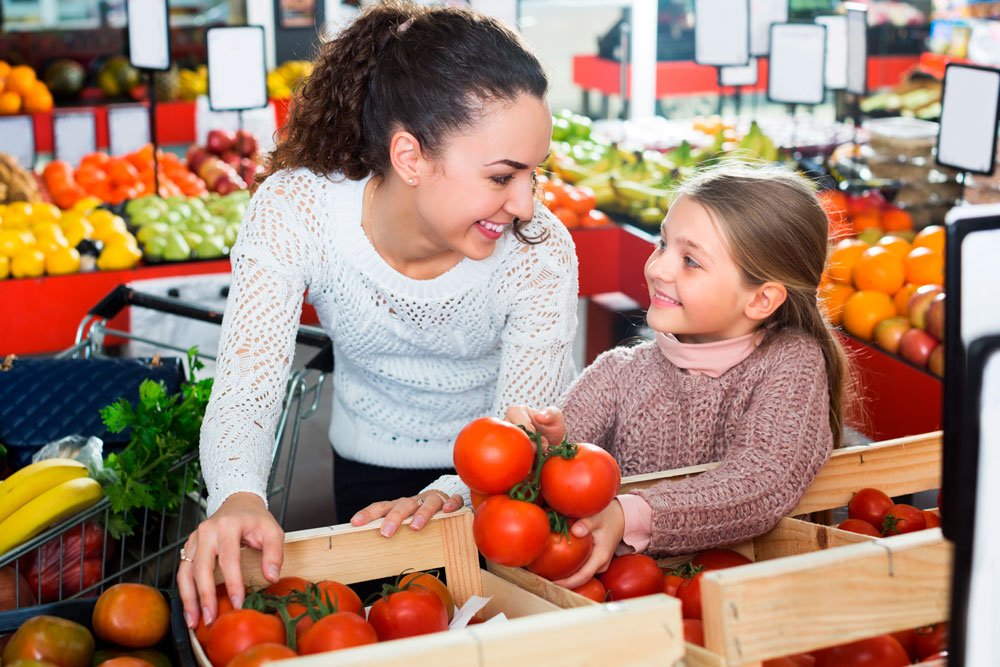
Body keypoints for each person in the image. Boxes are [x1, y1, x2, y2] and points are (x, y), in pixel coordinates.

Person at [177, 1, 579, 629]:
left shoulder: (541, 253)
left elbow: (517, 427)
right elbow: (247, 383)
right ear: (410, 157)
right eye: (503, 177)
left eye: (535, 174)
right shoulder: (298, 209)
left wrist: (455, 490)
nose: (526, 205)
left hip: (499, 491)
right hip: (366, 459)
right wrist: (236, 494)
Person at [417, 161, 849, 588]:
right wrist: (542, 452)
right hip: (632, 602)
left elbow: (761, 482)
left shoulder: (792, 364)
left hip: (751, 596)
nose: (658, 268)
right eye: (663, 245)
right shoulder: (618, 373)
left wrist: (630, 514)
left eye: (691, 261)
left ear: (761, 299)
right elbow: (553, 474)